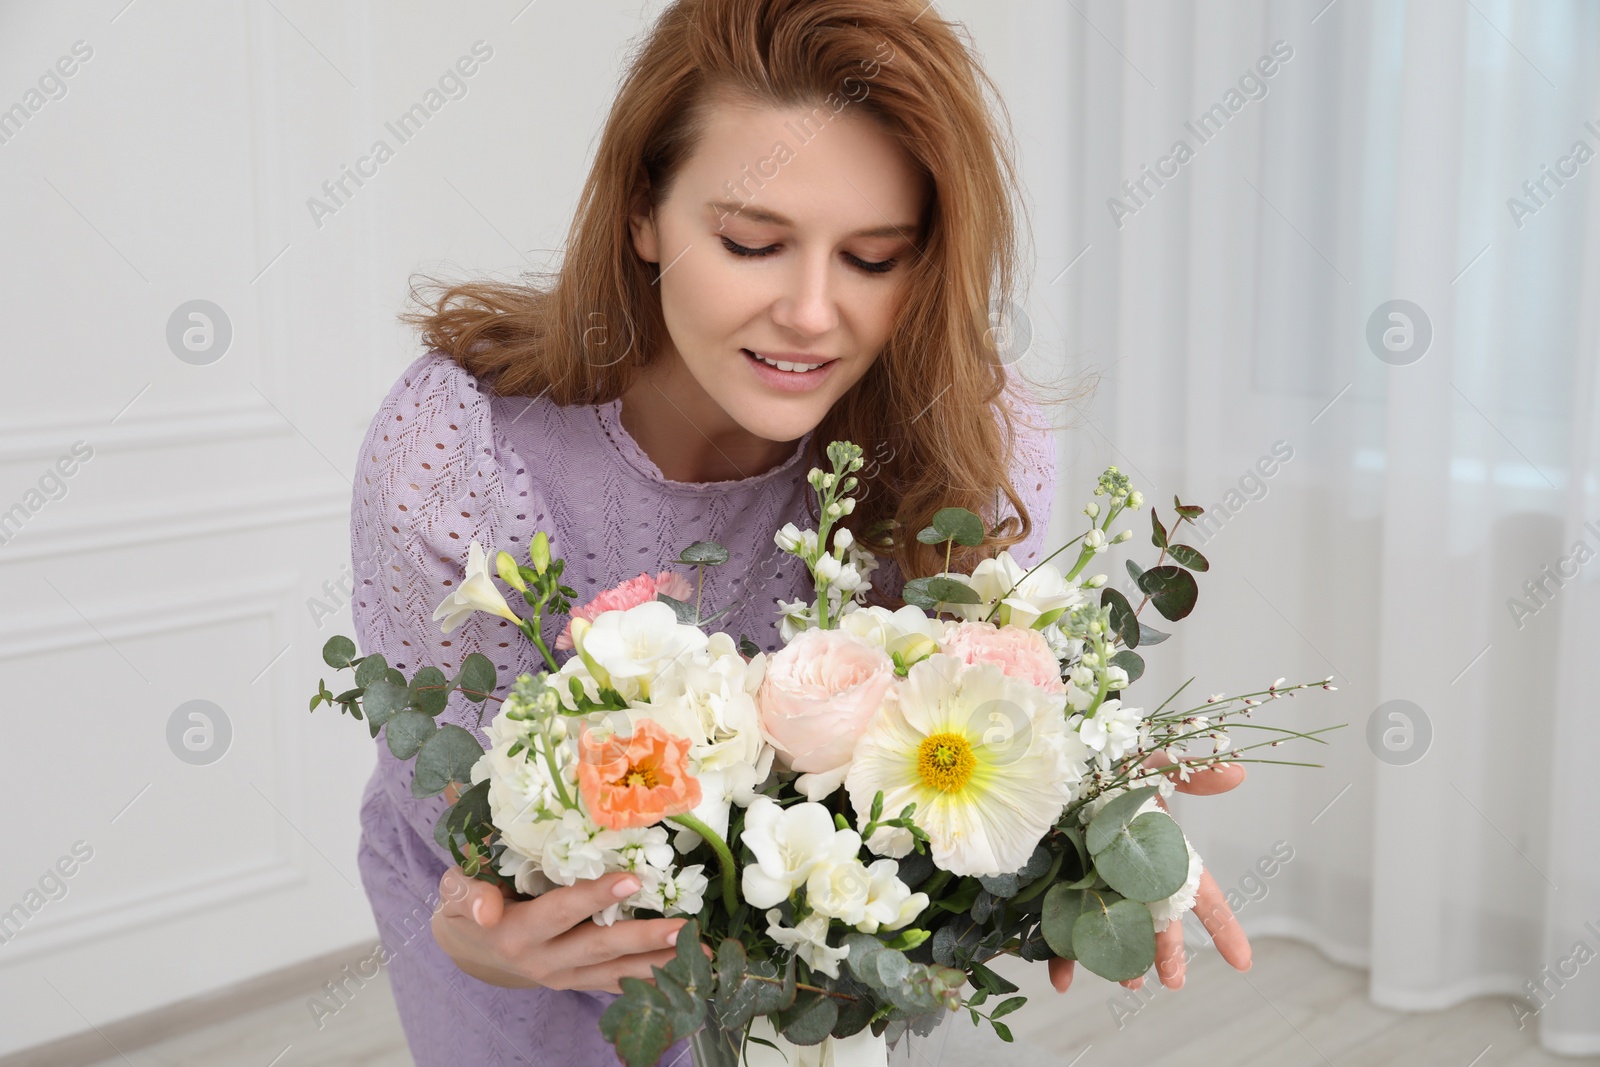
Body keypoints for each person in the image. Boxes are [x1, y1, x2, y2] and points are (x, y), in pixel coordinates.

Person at [348, 1, 1250, 1063]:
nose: (813, 313)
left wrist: (1091, 823)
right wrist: (485, 927)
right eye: (751, 242)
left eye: (874, 257)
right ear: (643, 211)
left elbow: (964, 734)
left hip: (803, 974)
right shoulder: (460, 446)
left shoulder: (972, 437)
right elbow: (460, 807)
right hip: (536, 965)